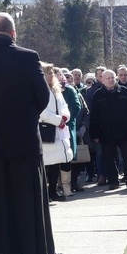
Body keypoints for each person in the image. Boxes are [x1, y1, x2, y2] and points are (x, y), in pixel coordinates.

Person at [0, 12, 64, 254]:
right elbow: (42, 98)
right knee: (27, 197)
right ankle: (35, 252)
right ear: (13, 33)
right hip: (23, 138)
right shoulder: (28, 57)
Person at [90, 69, 127, 190]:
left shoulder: (124, 92)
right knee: (109, 159)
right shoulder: (97, 95)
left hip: (125, 132)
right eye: (108, 78)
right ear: (102, 80)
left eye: (112, 78)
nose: (111, 80)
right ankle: (113, 181)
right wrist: (94, 134)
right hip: (106, 133)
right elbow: (94, 116)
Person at [39, 63, 73, 201]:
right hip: (46, 129)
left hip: (59, 130)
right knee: (45, 164)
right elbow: (41, 110)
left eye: (52, 72)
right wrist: (57, 120)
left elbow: (64, 105)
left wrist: (65, 116)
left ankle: (53, 191)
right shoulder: (39, 89)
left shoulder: (56, 89)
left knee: (55, 164)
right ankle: (44, 193)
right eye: (49, 72)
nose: (52, 75)